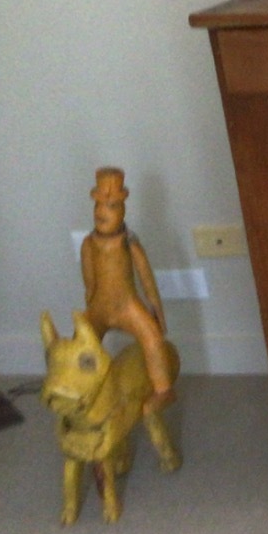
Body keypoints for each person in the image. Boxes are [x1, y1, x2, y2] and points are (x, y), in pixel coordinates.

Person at [80, 167, 176, 410]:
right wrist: (89, 306)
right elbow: (89, 280)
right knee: (82, 345)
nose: (101, 213)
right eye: (98, 206)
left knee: (152, 339)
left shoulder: (129, 243)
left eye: (111, 207)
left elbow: (147, 280)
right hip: (99, 308)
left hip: (127, 307)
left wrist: (157, 313)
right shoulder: (88, 243)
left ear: (123, 210)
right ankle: (82, 389)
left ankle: (163, 389)